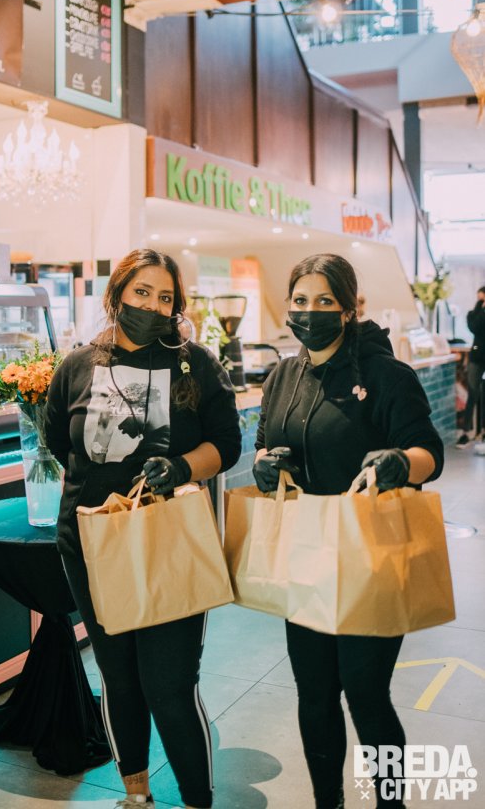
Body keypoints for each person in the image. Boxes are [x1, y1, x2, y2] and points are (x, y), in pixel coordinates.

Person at [46, 248, 241, 809]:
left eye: (165, 297)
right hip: (91, 543)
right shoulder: (76, 366)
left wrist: (180, 467)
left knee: (169, 686)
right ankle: (136, 794)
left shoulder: (195, 364)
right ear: (117, 294)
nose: (153, 306)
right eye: (142, 292)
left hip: (169, 542)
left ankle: (197, 799)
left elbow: (227, 444)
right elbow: (61, 443)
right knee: (119, 677)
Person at [252, 253, 444, 809]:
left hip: (370, 556)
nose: (309, 312)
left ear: (348, 309)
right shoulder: (282, 377)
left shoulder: (386, 376)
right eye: (300, 301)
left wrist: (401, 462)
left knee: (365, 694)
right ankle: (327, 801)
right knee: (314, 695)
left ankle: (390, 804)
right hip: (305, 553)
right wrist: (264, 464)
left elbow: (429, 452)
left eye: (324, 301)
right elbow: (264, 441)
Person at [457, 285, 485, 446]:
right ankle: (467, 432)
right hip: (477, 356)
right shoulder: (473, 314)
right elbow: (474, 327)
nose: (480, 300)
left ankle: (482, 431)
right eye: (479, 298)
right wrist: (482, 309)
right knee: (473, 393)